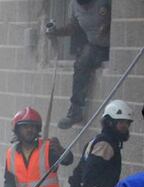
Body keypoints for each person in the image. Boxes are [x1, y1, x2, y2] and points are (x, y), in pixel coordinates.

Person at [46, 0, 111, 129]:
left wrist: (107, 26)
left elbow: (116, 18)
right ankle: (75, 112)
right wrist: (56, 32)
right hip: (95, 45)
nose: (85, 7)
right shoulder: (74, 5)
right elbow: (73, 27)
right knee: (81, 64)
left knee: (86, 57)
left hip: (112, 46)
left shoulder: (103, 2)